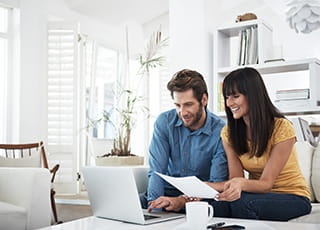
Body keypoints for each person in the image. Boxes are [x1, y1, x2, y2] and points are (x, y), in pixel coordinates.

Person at [206, 67, 312, 221]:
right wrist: (204, 186)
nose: (229, 103)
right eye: (227, 97)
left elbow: (266, 184)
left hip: (293, 197)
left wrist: (238, 185)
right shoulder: (229, 133)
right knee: (217, 204)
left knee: (242, 204)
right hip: (258, 195)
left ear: (253, 96)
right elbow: (236, 180)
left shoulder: (282, 128)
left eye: (235, 96)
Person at [140, 69, 228, 212]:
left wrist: (181, 201)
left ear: (204, 100)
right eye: (177, 105)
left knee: (220, 206)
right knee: (127, 206)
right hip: (166, 193)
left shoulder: (221, 131)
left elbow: (215, 183)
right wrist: (154, 209)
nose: (183, 112)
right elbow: (156, 171)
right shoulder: (164, 122)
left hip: (200, 198)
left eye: (188, 104)